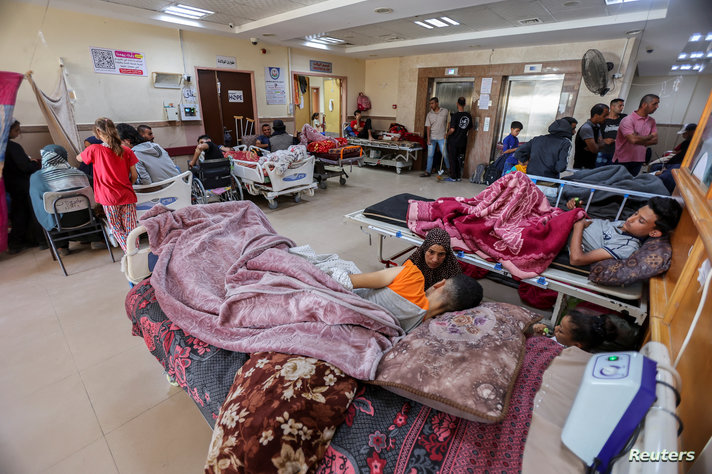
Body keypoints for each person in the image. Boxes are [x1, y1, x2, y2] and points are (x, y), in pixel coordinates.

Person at [345, 265, 483, 333]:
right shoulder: (419, 328)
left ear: (440, 283)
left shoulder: (412, 276)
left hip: (344, 304)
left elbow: (345, 281)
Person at [77, 117, 139, 253]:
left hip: (108, 197)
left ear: (98, 132)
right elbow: (134, 175)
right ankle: (136, 254)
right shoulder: (127, 150)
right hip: (127, 194)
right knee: (131, 229)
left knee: (116, 227)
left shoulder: (94, 149)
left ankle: (131, 253)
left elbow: (79, 158)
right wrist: (128, 185)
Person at [29, 145, 103, 256]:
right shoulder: (79, 173)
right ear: (63, 157)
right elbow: (96, 188)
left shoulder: (37, 177)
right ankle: (96, 239)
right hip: (85, 217)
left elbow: (37, 205)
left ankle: (60, 246)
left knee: (48, 210)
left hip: (58, 223)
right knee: (83, 207)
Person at [567, 196, 682, 266]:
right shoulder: (626, 226)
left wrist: (578, 225)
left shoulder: (628, 246)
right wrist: (577, 210)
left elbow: (577, 259)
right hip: (566, 221)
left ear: (654, 233)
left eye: (641, 221)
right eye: (636, 213)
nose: (630, 219)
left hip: (561, 233)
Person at [3, 120, 42, 253]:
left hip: (9, 184)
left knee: (18, 212)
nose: (19, 133)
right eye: (16, 130)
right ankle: (26, 240)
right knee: (25, 212)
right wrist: (34, 164)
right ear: (8, 131)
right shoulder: (13, 147)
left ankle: (18, 242)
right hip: (22, 184)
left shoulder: (3, 146)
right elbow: (24, 167)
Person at [613, 94, 660, 176]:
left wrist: (637, 137)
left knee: (629, 185)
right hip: (623, 160)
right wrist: (649, 136)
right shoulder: (628, 120)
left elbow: (655, 140)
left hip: (638, 160)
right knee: (616, 184)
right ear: (644, 105)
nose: (657, 107)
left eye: (657, 104)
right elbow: (633, 140)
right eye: (654, 104)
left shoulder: (652, 121)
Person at [532, 311, 618, 351]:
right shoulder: (563, 341)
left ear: (576, 345)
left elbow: (535, 351)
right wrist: (538, 335)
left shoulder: (561, 354)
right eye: (559, 324)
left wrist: (537, 340)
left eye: (561, 331)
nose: (556, 328)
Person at [573, 103, 609, 169]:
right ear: (596, 115)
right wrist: (598, 145)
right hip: (582, 167)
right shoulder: (587, 128)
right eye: (604, 116)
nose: (606, 118)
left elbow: (602, 144)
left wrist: (596, 145)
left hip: (591, 165)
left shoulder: (597, 126)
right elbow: (594, 149)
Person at [445, 97, 473, 181]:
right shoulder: (468, 115)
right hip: (463, 141)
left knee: (452, 158)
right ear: (464, 104)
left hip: (453, 141)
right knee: (458, 158)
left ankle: (453, 177)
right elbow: (470, 127)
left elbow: (452, 130)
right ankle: (458, 176)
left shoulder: (455, 115)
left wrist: (447, 134)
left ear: (457, 104)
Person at [422, 97, 449, 177]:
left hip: (442, 137)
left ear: (437, 103)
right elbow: (428, 127)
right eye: (430, 104)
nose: (431, 105)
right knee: (430, 155)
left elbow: (449, 122)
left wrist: (447, 133)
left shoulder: (445, 111)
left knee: (445, 154)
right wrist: (428, 139)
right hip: (432, 137)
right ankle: (428, 171)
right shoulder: (429, 114)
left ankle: (449, 169)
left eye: (432, 103)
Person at [596, 98, 626, 167]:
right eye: (620, 106)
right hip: (602, 153)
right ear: (612, 107)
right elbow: (593, 136)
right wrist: (604, 141)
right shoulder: (602, 120)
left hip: (618, 155)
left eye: (623, 106)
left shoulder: (624, 119)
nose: (622, 108)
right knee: (598, 173)